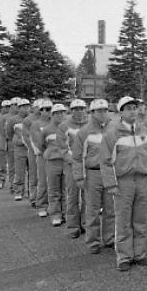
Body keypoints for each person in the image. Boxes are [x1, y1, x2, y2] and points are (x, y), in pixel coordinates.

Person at [100, 96, 147, 271]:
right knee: (123, 220)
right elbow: (106, 161)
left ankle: (139, 254)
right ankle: (124, 256)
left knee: (140, 219)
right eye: (129, 108)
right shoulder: (112, 133)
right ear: (121, 112)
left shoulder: (143, 130)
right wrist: (111, 184)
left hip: (141, 180)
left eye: (135, 108)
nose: (133, 111)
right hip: (123, 182)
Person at [72, 99, 115, 254]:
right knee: (93, 209)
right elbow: (77, 157)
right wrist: (79, 177)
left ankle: (109, 238)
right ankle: (93, 242)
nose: (103, 113)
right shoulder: (84, 132)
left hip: (110, 173)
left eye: (105, 110)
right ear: (92, 113)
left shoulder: (113, 128)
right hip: (93, 173)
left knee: (111, 209)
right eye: (99, 111)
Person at [37, 103, 71, 227]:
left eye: (62, 112)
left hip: (66, 161)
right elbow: (41, 145)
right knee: (54, 189)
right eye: (57, 113)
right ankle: (56, 214)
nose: (60, 115)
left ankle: (66, 213)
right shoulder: (46, 129)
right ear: (52, 115)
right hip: (53, 161)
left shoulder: (69, 128)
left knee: (66, 189)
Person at [59, 99, 89, 238]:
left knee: (88, 198)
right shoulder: (64, 126)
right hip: (72, 166)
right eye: (76, 109)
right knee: (72, 197)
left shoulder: (91, 124)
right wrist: (77, 162)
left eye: (82, 108)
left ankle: (86, 224)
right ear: (71, 110)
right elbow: (63, 149)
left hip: (88, 167)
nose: (79, 111)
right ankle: (73, 227)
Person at [30, 100, 53, 217]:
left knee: (55, 184)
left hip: (55, 157)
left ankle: (54, 207)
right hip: (43, 156)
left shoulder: (56, 123)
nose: (49, 112)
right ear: (41, 111)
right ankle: (41, 205)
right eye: (46, 109)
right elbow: (37, 141)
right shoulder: (36, 124)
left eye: (50, 109)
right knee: (43, 182)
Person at [7, 98, 31, 201]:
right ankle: (19, 191)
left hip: (31, 148)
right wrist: (17, 141)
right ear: (19, 108)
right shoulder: (13, 120)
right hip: (19, 148)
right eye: (23, 107)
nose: (26, 109)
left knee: (33, 172)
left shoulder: (32, 119)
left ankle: (31, 192)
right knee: (19, 171)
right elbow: (9, 133)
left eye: (27, 106)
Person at [0, 100, 12, 189]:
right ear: (2, 107)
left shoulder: (12, 117)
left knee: (13, 164)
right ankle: (0, 179)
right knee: (1, 164)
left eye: (9, 107)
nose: (7, 109)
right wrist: (1, 140)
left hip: (11, 143)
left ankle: (14, 182)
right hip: (2, 143)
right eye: (5, 107)